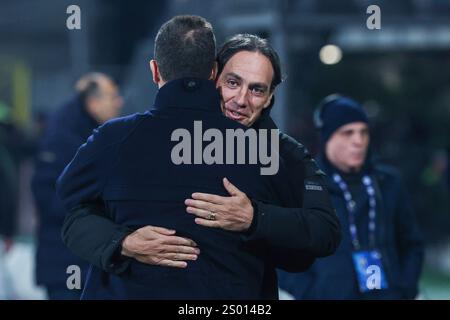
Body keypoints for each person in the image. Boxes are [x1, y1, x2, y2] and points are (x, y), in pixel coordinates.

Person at [57, 16, 338, 300]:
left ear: (269, 97)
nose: (241, 99)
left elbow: (323, 231)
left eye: (256, 89)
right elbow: (72, 212)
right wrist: (123, 242)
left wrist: (255, 217)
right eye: (232, 82)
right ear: (212, 75)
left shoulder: (280, 154)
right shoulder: (127, 139)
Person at [278, 95, 424, 299]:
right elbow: (280, 252)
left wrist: (405, 289)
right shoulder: (301, 185)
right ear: (328, 138)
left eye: (363, 132)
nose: (358, 141)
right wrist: (312, 293)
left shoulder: (388, 183)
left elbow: (412, 245)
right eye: (348, 133)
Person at [31, 73, 123, 299]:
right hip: (68, 266)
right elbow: (52, 202)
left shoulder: (94, 135)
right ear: (93, 102)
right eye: (112, 96)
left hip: (91, 260)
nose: (119, 102)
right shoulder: (64, 140)